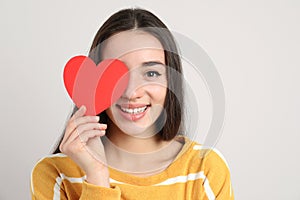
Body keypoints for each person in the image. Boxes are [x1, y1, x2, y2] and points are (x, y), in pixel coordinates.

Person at [30, 8, 234, 199]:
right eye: (115, 75)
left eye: (151, 73)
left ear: (170, 82)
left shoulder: (205, 169)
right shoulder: (55, 174)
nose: (131, 92)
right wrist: (97, 175)